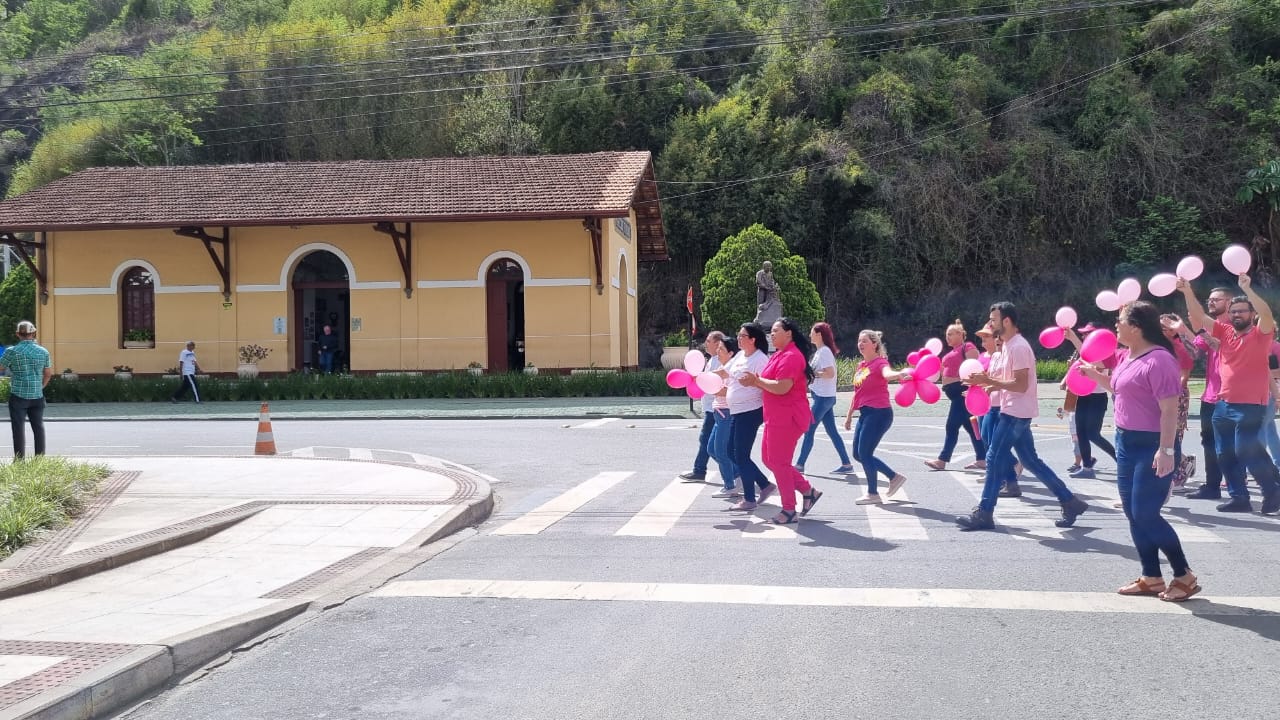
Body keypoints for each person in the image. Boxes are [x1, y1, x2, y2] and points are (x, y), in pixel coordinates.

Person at [1080, 301, 1199, 602]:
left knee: (1146, 514)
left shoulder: (1159, 360)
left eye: (1119, 320)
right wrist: (1095, 377)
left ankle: (1183, 574)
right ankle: (1151, 576)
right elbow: (1122, 389)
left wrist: (1167, 450)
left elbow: (1169, 409)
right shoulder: (1128, 356)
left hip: (1151, 444)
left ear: (1135, 327)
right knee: (1134, 514)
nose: (1115, 326)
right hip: (1125, 442)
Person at [956, 302, 1090, 531]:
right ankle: (1070, 501)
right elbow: (1010, 382)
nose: (991, 323)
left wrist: (988, 382)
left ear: (1006, 321)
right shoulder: (1008, 346)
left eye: (994, 319)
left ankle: (984, 513)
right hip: (1016, 410)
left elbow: (1020, 385)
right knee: (1030, 460)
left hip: (1015, 412)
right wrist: (987, 386)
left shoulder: (1017, 347)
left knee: (993, 458)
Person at [1178, 275, 1280, 514]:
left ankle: (1272, 490)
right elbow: (1199, 317)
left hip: (1251, 404)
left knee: (1246, 449)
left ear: (1251, 314)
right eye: (1233, 311)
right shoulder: (1224, 332)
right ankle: (1239, 498)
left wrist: (1247, 288)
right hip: (1223, 404)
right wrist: (1187, 291)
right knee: (1223, 453)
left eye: (1242, 311)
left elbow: (1266, 313)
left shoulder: (1261, 333)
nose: (1237, 315)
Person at [741, 318, 821, 524]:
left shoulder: (792, 357)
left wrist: (757, 380)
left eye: (776, 330)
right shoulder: (779, 354)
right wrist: (756, 380)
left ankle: (789, 510)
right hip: (775, 416)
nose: (772, 334)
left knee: (779, 463)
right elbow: (771, 383)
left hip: (788, 418)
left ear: (789, 334)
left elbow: (782, 387)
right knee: (769, 460)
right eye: (771, 331)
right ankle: (807, 490)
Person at [1168, 286, 1230, 499]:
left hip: (1231, 396)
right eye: (1209, 299)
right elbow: (1194, 352)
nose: (1211, 302)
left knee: (1235, 443)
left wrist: (1189, 328)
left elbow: (1220, 345)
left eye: (1216, 299)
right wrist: (1182, 331)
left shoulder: (1233, 326)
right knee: (1210, 442)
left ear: (1229, 303)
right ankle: (1212, 486)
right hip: (1210, 395)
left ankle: (1250, 486)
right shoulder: (1208, 329)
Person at [843, 330, 910, 504]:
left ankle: (873, 493)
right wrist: (849, 416)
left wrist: (898, 374)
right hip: (865, 413)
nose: (860, 344)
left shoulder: (880, 362)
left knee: (865, 453)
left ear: (875, 344)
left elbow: (887, 374)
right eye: (859, 341)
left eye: (864, 341)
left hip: (879, 413)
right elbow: (857, 393)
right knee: (858, 454)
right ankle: (893, 477)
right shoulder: (861, 366)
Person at [721, 323, 776, 511]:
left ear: (753, 339)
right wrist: (699, 377)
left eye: (742, 335)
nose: (738, 338)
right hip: (737, 411)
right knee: (730, 451)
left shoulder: (760, 359)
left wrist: (754, 382)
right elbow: (724, 372)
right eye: (738, 334)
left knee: (741, 455)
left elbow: (766, 383)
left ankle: (749, 499)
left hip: (751, 411)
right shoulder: (739, 355)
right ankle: (765, 484)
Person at [925, 319, 986, 471]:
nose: (948, 337)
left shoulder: (967, 346)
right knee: (972, 429)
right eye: (947, 334)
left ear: (960, 334)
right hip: (955, 393)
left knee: (951, 426)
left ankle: (942, 460)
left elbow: (975, 367)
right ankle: (982, 459)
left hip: (962, 392)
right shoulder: (950, 352)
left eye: (951, 334)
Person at [794, 322, 855, 475]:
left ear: (819, 334)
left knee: (809, 429)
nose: (810, 335)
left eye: (812, 333)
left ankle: (800, 464)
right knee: (832, 431)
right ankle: (846, 464)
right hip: (823, 397)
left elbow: (830, 373)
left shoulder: (825, 352)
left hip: (823, 398)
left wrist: (813, 374)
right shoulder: (821, 351)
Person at [1062, 323, 1117, 478]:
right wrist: (1065, 380)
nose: (1085, 337)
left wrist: (1073, 338)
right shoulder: (1084, 353)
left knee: (1093, 433)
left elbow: (1093, 363)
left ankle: (1119, 458)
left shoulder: (1104, 354)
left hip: (1098, 398)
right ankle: (1087, 467)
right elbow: (1076, 367)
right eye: (1083, 335)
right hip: (1083, 396)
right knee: (1081, 433)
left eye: (1088, 334)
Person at [0, 321, 52, 459]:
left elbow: (1, 368)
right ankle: (39, 459)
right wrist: (40, 387)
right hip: (37, 396)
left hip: (18, 396)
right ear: (33, 333)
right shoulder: (43, 351)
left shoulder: (11, 351)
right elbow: (48, 374)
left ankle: (19, 460)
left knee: (18, 429)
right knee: (38, 427)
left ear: (18, 334)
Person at [679, 332, 725, 482]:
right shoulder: (712, 360)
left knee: (707, 442)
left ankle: (734, 471)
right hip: (710, 407)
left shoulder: (719, 361)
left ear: (717, 343)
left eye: (708, 341)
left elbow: (714, 383)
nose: (706, 343)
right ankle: (700, 470)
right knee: (707, 442)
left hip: (715, 408)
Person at [707, 336, 741, 498]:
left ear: (731, 353)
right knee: (711, 449)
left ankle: (729, 485)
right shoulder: (724, 367)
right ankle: (738, 474)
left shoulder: (733, 369)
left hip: (726, 414)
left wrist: (709, 387)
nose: (718, 351)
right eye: (718, 348)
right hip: (719, 413)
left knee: (720, 451)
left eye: (721, 349)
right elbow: (715, 375)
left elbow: (729, 392)